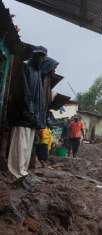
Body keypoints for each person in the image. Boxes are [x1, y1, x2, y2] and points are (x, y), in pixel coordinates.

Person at [8, 46, 47, 179]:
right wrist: (28, 112)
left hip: (32, 118)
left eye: (43, 57)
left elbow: (39, 100)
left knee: (26, 148)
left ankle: (22, 172)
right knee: (20, 146)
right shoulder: (25, 68)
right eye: (39, 56)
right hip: (23, 115)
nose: (41, 59)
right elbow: (23, 92)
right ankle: (16, 173)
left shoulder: (38, 73)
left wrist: (37, 118)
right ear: (34, 55)